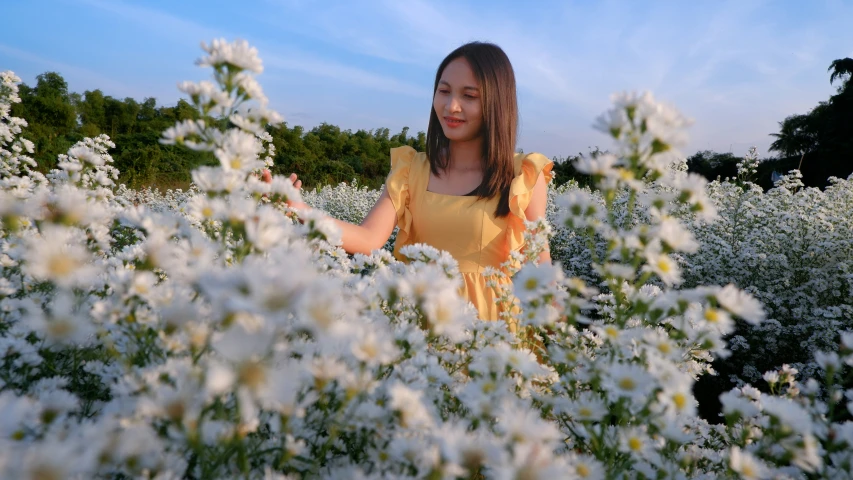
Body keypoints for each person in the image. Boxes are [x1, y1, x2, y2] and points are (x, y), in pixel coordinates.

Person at [274, 41, 553, 330]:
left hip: (490, 332)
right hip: (417, 324)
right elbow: (369, 240)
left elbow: (543, 272)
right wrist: (302, 211)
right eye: (443, 91)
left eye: (469, 96)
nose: (451, 106)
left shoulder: (521, 175)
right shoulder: (411, 170)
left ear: (497, 103)